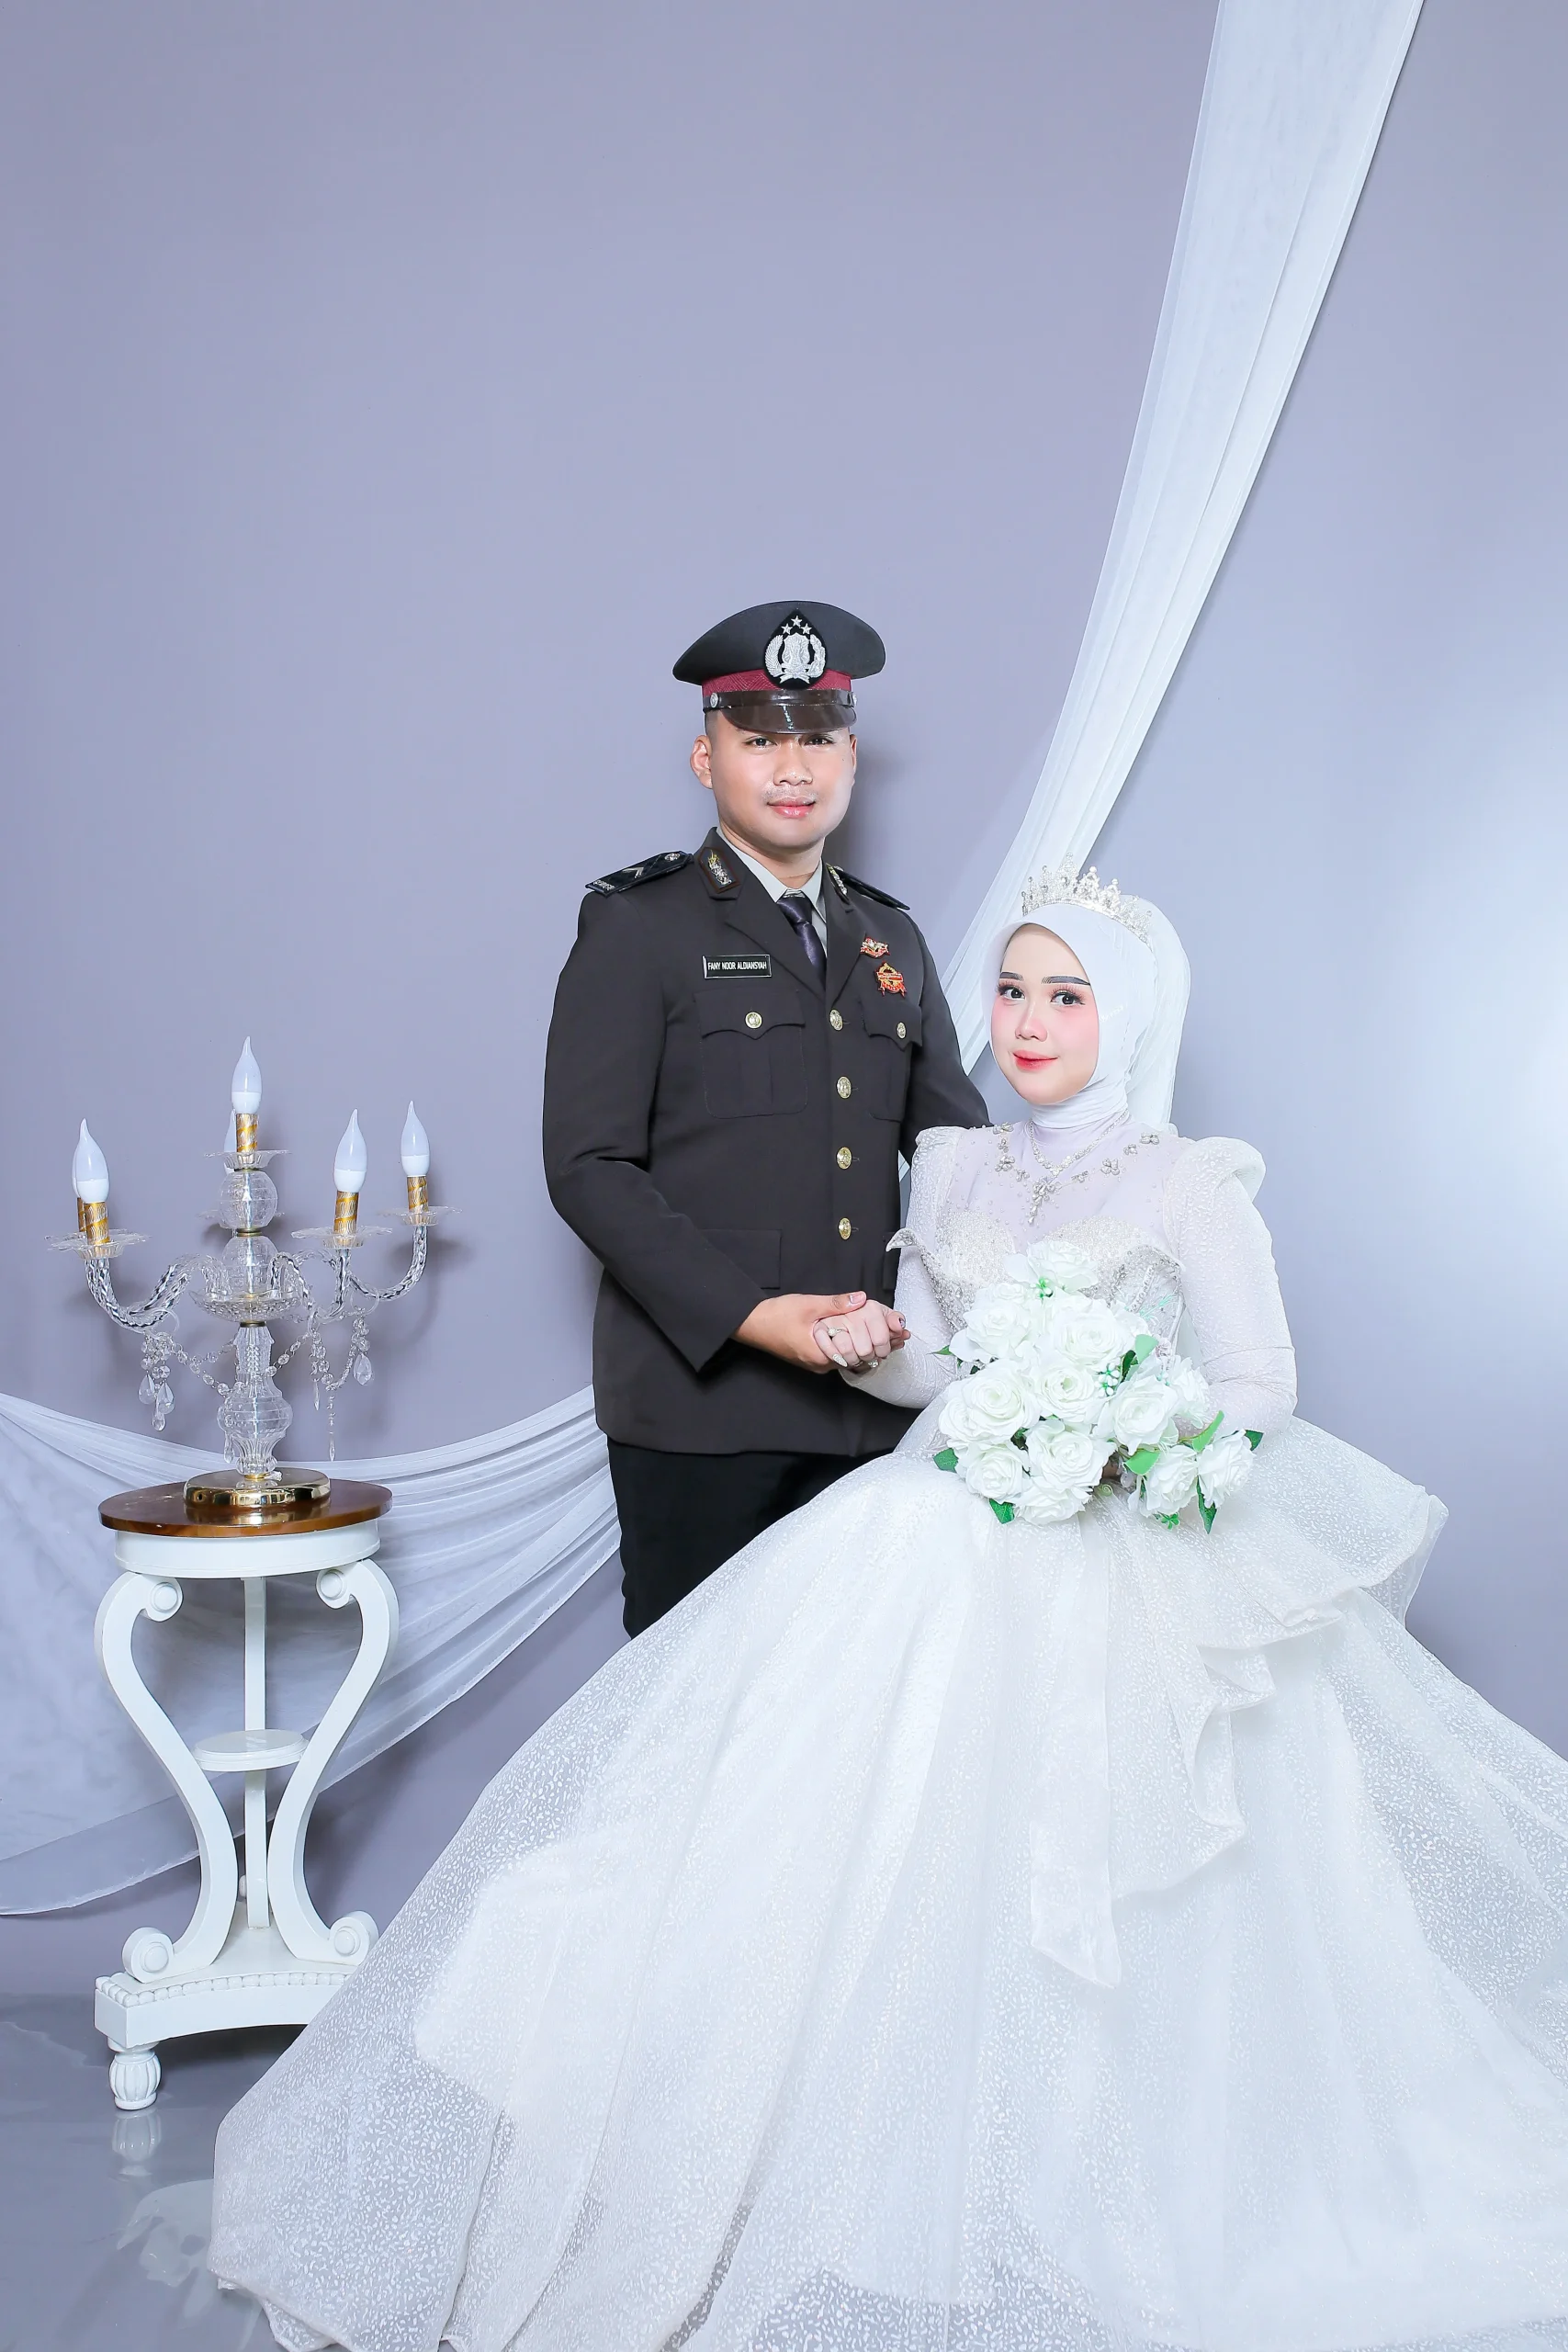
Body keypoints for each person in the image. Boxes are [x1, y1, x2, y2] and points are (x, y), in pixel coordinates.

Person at [210, 870, 1568, 2352]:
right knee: (820, 1828)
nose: (1028, 1021)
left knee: (1117, 1865)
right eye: (1011, 991)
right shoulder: (956, 1163)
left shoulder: (1188, 1180)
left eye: (1066, 996)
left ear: (1126, 1016)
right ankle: (816, 2161)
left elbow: (1257, 1384)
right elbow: (929, 1360)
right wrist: (871, 1344)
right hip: (944, 1523)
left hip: (1118, 1545)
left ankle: (1095, 2180)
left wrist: (1128, 1430)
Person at [543, 600, 986, 1634]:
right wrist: (752, 1316)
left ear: (851, 757)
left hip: (872, 1407)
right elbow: (589, 1167)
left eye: (819, 740)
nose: (794, 769)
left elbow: (956, 1158)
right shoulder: (638, 925)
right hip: (702, 1412)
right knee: (690, 1709)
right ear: (706, 759)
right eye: (759, 742)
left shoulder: (890, 940)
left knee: (860, 1705)